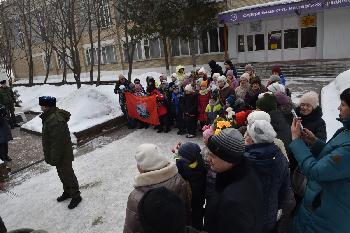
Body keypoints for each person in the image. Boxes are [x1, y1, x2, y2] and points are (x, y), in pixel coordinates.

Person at [289, 88, 350, 233]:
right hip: (319, 203)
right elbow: (334, 156)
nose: (338, 107)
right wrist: (315, 142)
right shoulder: (345, 131)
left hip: (327, 213)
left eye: (343, 104)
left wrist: (296, 141)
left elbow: (316, 171)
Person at [205, 128, 264, 233]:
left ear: (229, 159)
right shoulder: (240, 172)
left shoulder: (234, 202)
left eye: (213, 156)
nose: (208, 159)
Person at [123, 143, 191, 233]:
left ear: (141, 167)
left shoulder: (136, 197)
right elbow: (186, 211)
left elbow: (131, 228)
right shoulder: (179, 180)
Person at [244, 120, 290, 233]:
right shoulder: (280, 157)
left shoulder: (245, 161)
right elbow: (284, 190)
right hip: (270, 214)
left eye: (248, 134)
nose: (245, 136)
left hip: (246, 216)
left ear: (253, 139)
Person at [39, 96, 82, 209]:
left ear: (47, 106)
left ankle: (76, 195)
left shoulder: (55, 119)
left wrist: (54, 157)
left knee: (68, 174)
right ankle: (67, 192)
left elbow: (58, 142)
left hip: (62, 153)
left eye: (42, 105)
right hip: (58, 153)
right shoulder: (50, 116)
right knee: (62, 173)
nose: (41, 107)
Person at [176, 142, 207, 231]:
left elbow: (179, 165)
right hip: (200, 200)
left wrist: (177, 156)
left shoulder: (186, 169)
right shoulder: (200, 164)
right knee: (198, 217)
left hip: (190, 203)